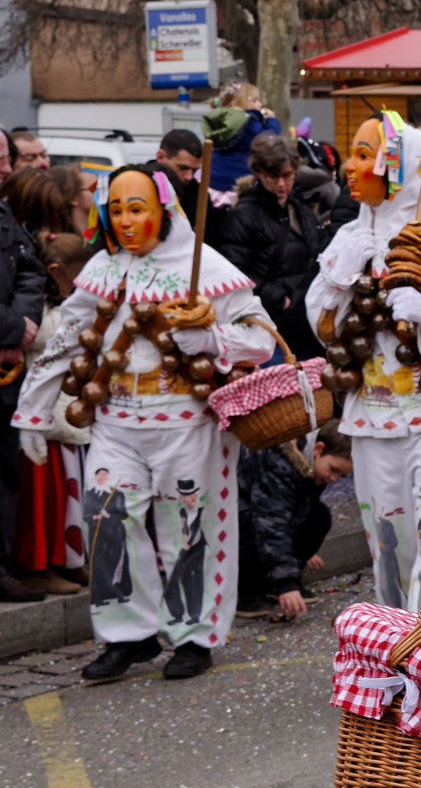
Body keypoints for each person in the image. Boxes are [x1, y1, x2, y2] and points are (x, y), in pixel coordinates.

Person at [14, 164, 273, 678]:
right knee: (107, 517)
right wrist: (33, 410)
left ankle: (193, 635)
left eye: (138, 209)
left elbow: (260, 335)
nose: (127, 222)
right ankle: (127, 634)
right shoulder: (102, 271)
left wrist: (213, 341)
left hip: (188, 424)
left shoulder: (206, 267)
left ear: (163, 210)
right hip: (115, 421)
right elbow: (67, 338)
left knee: (189, 526)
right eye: (116, 210)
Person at [305, 113, 421, 622]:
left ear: (401, 165)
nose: (350, 166)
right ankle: (400, 657)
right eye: (353, 152)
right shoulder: (349, 234)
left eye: (365, 155)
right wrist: (338, 273)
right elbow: (323, 330)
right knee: (387, 545)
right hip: (368, 419)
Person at [15, 231, 89, 596]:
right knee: (41, 498)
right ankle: (37, 563)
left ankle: (69, 558)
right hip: (43, 415)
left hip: (62, 417)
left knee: (67, 494)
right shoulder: (44, 311)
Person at [215, 132, 324, 362]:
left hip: (303, 325)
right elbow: (234, 272)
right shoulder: (243, 216)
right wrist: (278, 299)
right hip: (267, 328)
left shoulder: (302, 209)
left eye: (287, 175)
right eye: (273, 177)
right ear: (258, 173)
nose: (282, 183)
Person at [236, 429, 350, 621]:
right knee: (253, 524)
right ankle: (246, 589)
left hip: (267, 520)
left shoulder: (313, 469)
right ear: (318, 449)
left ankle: (271, 584)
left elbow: (300, 509)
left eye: (341, 476)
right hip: (241, 519)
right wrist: (286, 582)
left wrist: (304, 548)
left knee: (320, 516)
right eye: (333, 469)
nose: (333, 479)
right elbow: (270, 523)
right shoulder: (280, 463)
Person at [0, 173, 46, 602]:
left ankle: (4, 562)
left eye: (3, 160)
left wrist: (23, 327)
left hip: (8, 367)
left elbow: (30, 270)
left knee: (6, 472)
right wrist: (12, 329)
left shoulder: (4, 215)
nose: (3, 170)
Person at [203, 83, 283, 193]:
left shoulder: (219, 122)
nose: (260, 104)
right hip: (239, 183)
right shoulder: (248, 122)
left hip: (214, 183)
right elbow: (268, 140)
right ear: (236, 103)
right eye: (255, 100)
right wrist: (271, 120)